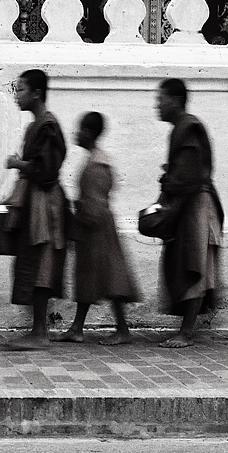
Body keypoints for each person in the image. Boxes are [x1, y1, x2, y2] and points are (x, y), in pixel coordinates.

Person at [50, 112, 141, 346]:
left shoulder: (96, 165)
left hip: (96, 229)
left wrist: (78, 215)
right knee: (89, 280)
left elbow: (96, 203)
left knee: (109, 280)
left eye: (80, 129)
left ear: (89, 133)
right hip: (94, 227)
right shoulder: (97, 159)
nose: (76, 133)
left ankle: (122, 330)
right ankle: (77, 328)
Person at [155, 79, 224, 348]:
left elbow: (189, 175)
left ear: (175, 100)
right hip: (189, 204)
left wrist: (168, 182)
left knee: (196, 265)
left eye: (160, 100)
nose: (157, 105)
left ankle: (186, 333)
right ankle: (184, 329)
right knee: (185, 262)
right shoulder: (180, 129)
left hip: (198, 206)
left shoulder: (189, 127)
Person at [2, 69, 68, 351]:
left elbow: (47, 170)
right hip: (34, 201)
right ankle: (37, 329)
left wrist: (19, 165)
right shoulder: (35, 126)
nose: (17, 96)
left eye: (22, 90)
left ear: (37, 93)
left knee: (42, 264)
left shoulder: (48, 125)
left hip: (46, 205)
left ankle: (40, 332)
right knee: (33, 262)